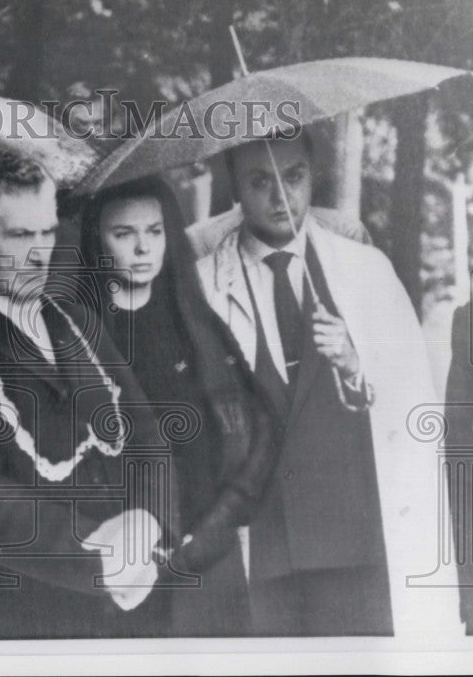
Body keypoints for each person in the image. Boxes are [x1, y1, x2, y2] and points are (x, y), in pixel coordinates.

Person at [0, 151, 172, 640]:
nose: (42, 252)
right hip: (18, 622)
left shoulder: (75, 320)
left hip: (134, 609)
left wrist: (148, 520)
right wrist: (99, 554)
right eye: (21, 236)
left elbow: (147, 434)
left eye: (48, 231)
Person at [197, 132, 462, 637]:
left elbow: (409, 407)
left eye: (293, 177)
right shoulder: (204, 287)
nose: (281, 197)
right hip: (260, 550)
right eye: (261, 181)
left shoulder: (365, 272)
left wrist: (354, 363)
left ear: (311, 176)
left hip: (354, 541)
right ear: (235, 187)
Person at [79, 175, 282, 637]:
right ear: (97, 240)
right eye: (124, 234)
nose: (143, 248)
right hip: (127, 566)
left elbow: (264, 423)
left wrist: (223, 520)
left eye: (154, 231)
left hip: (209, 555)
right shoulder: (80, 336)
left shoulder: (196, 320)